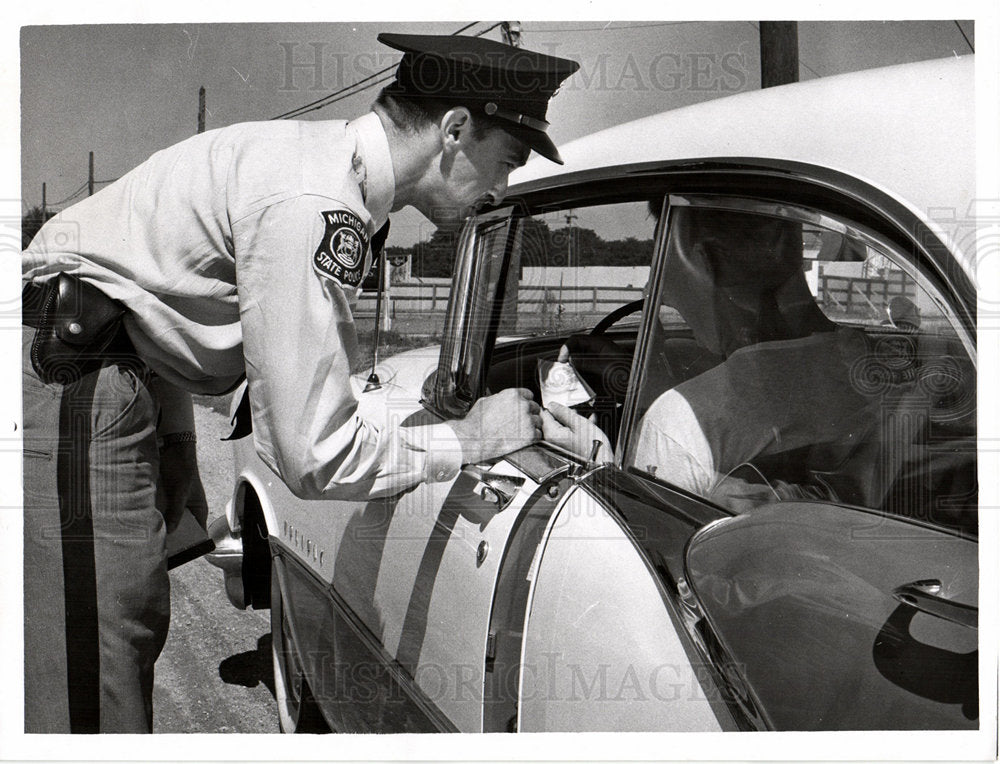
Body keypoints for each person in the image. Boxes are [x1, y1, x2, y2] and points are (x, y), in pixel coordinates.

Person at [21, 32, 579, 732]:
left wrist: (173, 445)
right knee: (88, 684)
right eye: (506, 160)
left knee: (114, 640)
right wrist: (468, 438)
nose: (501, 188)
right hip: (69, 375)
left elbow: (146, 285)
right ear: (455, 130)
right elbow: (312, 455)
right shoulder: (318, 199)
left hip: (101, 366)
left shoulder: (320, 168)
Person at [542, 206, 881, 510]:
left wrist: (600, 467)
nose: (653, 288)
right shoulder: (862, 362)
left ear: (702, 259)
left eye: (662, 257)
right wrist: (645, 379)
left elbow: (642, 546)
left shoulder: (678, 423)